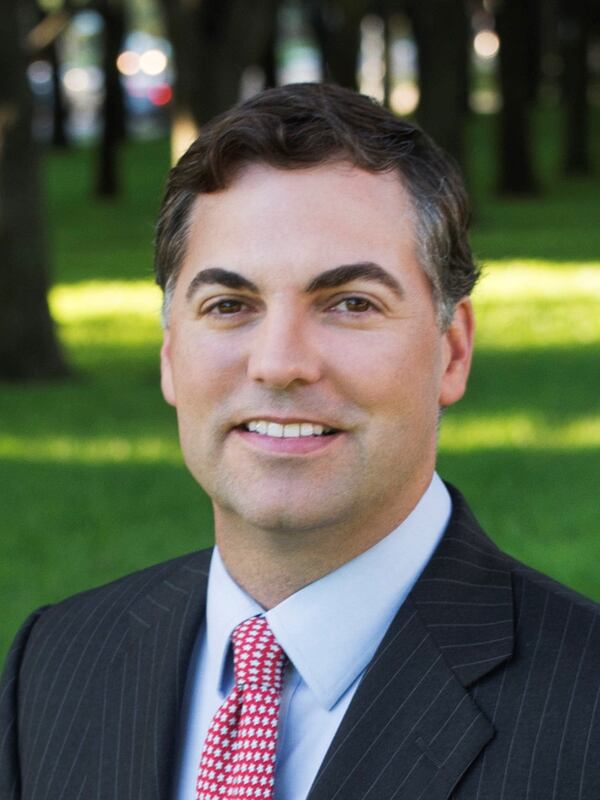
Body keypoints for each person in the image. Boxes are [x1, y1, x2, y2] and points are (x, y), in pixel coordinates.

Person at [1, 83, 599, 800]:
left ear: (453, 351)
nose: (281, 363)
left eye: (350, 304)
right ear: (169, 355)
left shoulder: (585, 707)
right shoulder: (56, 661)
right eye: (229, 305)